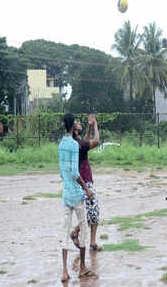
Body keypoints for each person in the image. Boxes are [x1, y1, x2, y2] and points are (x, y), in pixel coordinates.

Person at [58, 113, 96, 283]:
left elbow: (62, 172)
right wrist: (86, 188)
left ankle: (65, 272)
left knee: (65, 231)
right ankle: (82, 268)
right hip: (76, 195)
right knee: (83, 230)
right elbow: (74, 172)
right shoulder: (73, 145)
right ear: (73, 126)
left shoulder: (61, 145)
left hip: (66, 195)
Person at [71, 114, 102, 252]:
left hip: (82, 182)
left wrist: (89, 127)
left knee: (91, 212)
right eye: (76, 123)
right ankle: (75, 232)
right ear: (74, 129)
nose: (79, 123)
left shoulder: (75, 143)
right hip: (85, 183)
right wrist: (95, 124)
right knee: (92, 212)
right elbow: (96, 141)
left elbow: (86, 142)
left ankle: (93, 243)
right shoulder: (78, 144)